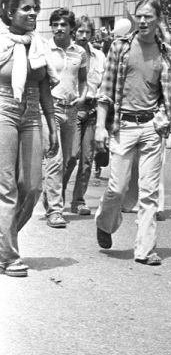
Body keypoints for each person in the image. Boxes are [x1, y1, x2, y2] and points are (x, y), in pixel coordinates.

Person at [94, 0, 171, 265]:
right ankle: (105, 223)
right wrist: (100, 127)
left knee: (149, 193)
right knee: (117, 189)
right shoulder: (120, 48)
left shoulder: (167, 54)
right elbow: (105, 91)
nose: (142, 21)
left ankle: (145, 250)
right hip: (123, 125)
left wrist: (163, 120)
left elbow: (168, 96)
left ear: (157, 20)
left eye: (148, 17)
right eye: (139, 16)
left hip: (151, 127)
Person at [0, 0, 58, 277]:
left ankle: (2, 242)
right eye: (25, 8)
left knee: (33, 185)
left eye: (35, 7)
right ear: (9, 12)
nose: (33, 12)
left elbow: (45, 87)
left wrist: (53, 124)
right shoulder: (1, 44)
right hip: (3, 111)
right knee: (6, 187)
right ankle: (9, 256)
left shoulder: (41, 45)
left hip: (33, 114)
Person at [43, 8, 88, 228]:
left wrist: (82, 97)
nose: (59, 28)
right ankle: (54, 210)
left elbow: (84, 80)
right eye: (55, 24)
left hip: (71, 111)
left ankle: (49, 196)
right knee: (55, 159)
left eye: (63, 24)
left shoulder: (79, 52)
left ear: (71, 28)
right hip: (50, 110)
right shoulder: (44, 49)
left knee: (71, 158)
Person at [66, 16, 106, 216]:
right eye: (80, 31)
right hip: (73, 109)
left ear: (92, 34)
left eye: (87, 32)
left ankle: (78, 200)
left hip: (92, 110)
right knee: (71, 156)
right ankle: (55, 196)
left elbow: (104, 85)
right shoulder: (69, 53)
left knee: (87, 159)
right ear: (74, 32)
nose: (83, 35)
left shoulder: (99, 56)